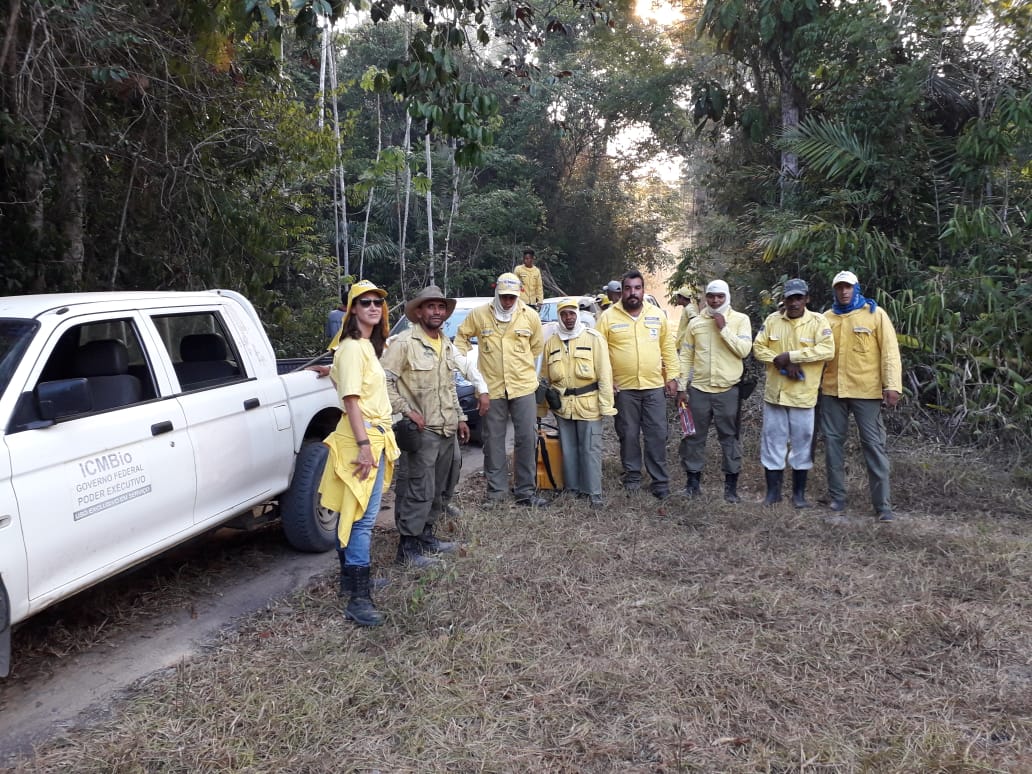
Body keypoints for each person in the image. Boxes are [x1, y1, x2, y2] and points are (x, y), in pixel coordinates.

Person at [318, 280, 399, 627]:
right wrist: (365, 446)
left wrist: (330, 371)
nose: (373, 307)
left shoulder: (363, 346)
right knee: (361, 518)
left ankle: (350, 582)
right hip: (362, 439)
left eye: (377, 302)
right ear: (352, 309)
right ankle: (358, 598)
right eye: (365, 302)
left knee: (354, 514)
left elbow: (347, 382)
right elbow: (351, 400)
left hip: (371, 436)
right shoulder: (353, 347)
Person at [381, 285, 477, 568]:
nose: (436, 311)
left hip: (446, 428)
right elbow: (383, 382)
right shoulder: (403, 343)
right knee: (417, 488)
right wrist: (407, 410)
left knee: (440, 486)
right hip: (422, 432)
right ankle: (407, 549)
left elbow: (448, 386)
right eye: (430, 306)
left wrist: (460, 417)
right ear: (419, 312)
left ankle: (426, 536)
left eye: (440, 307)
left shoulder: (445, 343)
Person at [455, 272, 547, 507]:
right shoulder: (479, 315)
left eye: (512, 297)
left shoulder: (530, 316)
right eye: (504, 296)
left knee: (526, 438)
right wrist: (466, 367)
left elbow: (536, 347)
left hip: (523, 386)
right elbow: (461, 339)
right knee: (493, 441)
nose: (507, 301)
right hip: (491, 388)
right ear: (496, 292)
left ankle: (526, 491)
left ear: (518, 295)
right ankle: (496, 493)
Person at [820, 270, 903, 522]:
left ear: (856, 288)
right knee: (832, 445)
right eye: (839, 287)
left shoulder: (875, 314)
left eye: (848, 287)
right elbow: (816, 354)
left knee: (873, 445)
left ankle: (882, 506)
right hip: (832, 391)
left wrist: (892, 386)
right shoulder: (826, 318)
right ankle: (837, 498)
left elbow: (890, 352)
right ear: (834, 290)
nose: (844, 291)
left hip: (866, 391)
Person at [596, 269, 680, 499]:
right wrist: (608, 380)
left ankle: (659, 481)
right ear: (621, 291)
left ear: (643, 290)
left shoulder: (657, 315)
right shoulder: (607, 317)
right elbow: (598, 352)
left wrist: (672, 377)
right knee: (628, 434)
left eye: (637, 288)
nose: (632, 293)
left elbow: (668, 348)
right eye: (628, 288)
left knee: (657, 434)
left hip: (654, 387)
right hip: (624, 389)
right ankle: (632, 477)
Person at [752, 278, 835, 507]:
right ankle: (773, 494)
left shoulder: (818, 321)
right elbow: (758, 348)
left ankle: (799, 495)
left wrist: (792, 356)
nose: (794, 303)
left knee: (802, 444)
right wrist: (779, 361)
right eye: (790, 298)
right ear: (784, 299)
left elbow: (828, 350)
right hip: (776, 395)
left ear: (807, 299)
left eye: (799, 298)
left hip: (803, 396)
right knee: (773, 443)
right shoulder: (773, 320)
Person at [675, 279, 753, 502]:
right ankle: (692, 484)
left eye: (720, 296)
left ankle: (730, 489)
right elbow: (686, 356)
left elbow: (744, 350)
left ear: (727, 296)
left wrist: (724, 328)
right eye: (711, 296)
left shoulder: (740, 320)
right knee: (693, 437)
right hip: (699, 390)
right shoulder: (696, 323)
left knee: (729, 437)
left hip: (728, 391)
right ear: (705, 298)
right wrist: (681, 387)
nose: (715, 300)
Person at [544, 298, 617, 506]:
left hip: (589, 404)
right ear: (559, 317)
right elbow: (545, 378)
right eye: (564, 314)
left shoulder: (594, 338)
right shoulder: (552, 343)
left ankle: (594, 493)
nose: (568, 318)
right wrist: (543, 408)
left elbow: (605, 374)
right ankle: (573, 489)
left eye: (572, 313)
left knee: (590, 449)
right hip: (563, 406)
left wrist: (606, 405)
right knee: (568, 449)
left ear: (577, 315)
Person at [673, 285, 699, 352]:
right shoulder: (686, 308)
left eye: (678, 297)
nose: (677, 299)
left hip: (686, 346)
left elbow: (694, 321)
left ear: (682, 298)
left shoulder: (689, 308)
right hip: (682, 344)